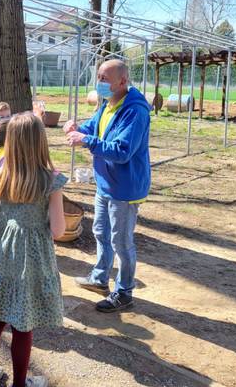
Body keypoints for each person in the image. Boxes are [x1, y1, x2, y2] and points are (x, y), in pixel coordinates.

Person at [0, 114, 67, 387]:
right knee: (23, 323)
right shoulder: (51, 180)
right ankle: (20, 384)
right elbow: (58, 230)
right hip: (32, 256)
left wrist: (8, 214)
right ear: (40, 142)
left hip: (1, 250)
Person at [64, 59, 151, 313]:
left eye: (104, 78)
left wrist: (86, 140)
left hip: (124, 189)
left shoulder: (135, 111)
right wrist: (78, 128)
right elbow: (94, 128)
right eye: (98, 77)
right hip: (105, 184)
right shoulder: (109, 103)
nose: (99, 83)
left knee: (122, 242)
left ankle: (124, 292)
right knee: (101, 232)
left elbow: (122, 151)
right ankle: (100, 278)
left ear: (122, 81)